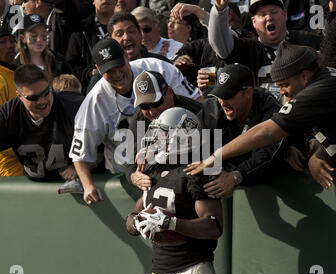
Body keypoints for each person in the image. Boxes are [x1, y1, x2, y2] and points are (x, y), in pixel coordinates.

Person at [185, 41, 336, 191]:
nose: (282, 92)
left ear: (304, 76)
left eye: (285, 84)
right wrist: (319, 154)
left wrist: (215, 157)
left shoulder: (318, 90)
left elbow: (267, 132)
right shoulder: (323, 78)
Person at [69, 38, 201, 205]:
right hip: (128, 173)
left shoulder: (158, 69)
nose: (117, 74)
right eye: (110, 71)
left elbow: (197, 103)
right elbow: (80, 153)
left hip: (180, 162)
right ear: (98, 70)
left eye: (119, 66)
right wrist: (88, 185)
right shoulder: (95, 101)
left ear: (126, 57)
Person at [125, 107, 226, 274]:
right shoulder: (152, 172)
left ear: (182, 137)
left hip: (195, 269)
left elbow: (214, 225)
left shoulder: (197, 172)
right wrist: (136, 222)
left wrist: (171, 223)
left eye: (163, 134)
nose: (156, 140)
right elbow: (131, 220)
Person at [198, 63, 284, 198]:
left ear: (248, 92)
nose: (222, 102)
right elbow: (201, 154)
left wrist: (237, 175)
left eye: (228, 95)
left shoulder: (269, 108)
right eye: (219, 95)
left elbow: (267, 153)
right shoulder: (212, 110)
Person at [207, 0, 322, 100]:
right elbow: (220, 42)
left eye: (273, 12)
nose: (269, 17)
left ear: (285, 14)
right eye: (262, 14)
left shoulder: (310, 41)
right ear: (253, 22)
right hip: (263, 119)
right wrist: (219, 11)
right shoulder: (246, 49)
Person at [0, 64, 82, 181]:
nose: (42, 101)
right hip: (35, 189)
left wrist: (81, 166)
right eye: (33, 98)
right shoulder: (9, 115)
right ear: (19, 96)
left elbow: (102, 144)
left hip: (79, 186)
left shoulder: (74, 108)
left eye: (45, 93)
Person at [125, 70, 204, 191]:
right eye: (144, 106)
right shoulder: (140, 120)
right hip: (160, 180)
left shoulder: (195, 111)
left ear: (170, 93)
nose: (152, 112)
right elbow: (131, 163)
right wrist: (134, 177)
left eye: (156, 103)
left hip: (194, 176)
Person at [86, 11, 172, 92]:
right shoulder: (102, 77)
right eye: (119, 34)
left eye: (131, 31)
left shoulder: (159, 64)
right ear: (111, 39)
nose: (126, 37)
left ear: (140, 34)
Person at [65, 0, 116, 90]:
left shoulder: (125, 26)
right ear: (93, 1)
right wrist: (90, 74)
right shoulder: (81, 29)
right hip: (92, 88)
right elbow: (70, 65)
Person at [15, 14, 72, 82]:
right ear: (23, 38)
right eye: (34, 36)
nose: (39, 39)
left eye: (44, 35)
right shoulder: (17, 66)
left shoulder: (58, 61)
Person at [0, 26, 23, 176]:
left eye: (12, 41)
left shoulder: (16, 73)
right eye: (2, 42)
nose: (10, 45)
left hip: (24, 157)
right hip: (6, 163)